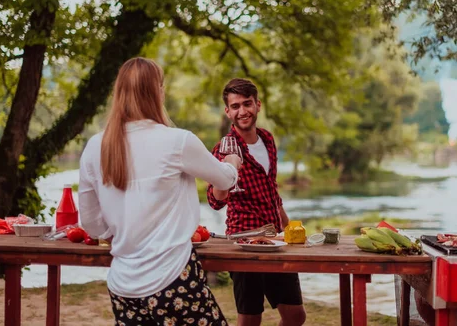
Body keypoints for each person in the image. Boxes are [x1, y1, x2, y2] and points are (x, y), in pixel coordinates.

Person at [78, 57, 242, 326]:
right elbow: (224, 180)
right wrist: (233, 163)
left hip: (124, 286)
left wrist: (122, 235)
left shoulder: (95, 146)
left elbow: (93, 226)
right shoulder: (177, 141)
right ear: (157, 92)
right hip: (173, 278)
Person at [207, 78, 306, 326]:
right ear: (227, 111)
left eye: (247, 104)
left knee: (295, 316)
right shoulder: (224, 148)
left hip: (276, 239)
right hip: (244, 241)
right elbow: (215, 201)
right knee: (250, 319)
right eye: (236, 106)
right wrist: (227, 170)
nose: (243, 111)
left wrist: (287, 225)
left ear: (258, 105)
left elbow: (272, 187)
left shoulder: (268, 139)